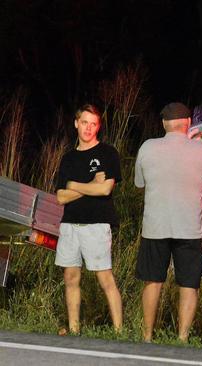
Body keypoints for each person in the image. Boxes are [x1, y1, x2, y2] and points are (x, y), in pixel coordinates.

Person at [134, 102, 202, 343]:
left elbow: (139, 183)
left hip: (155, 226)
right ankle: (183, 337)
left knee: (153, 281)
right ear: (188, 123)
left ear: (164, 123)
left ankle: (147, 336)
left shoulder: (148, 147)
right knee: (189, 284)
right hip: (189, 227)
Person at [55, 104, 123, 334]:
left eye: (93, 124)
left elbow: (105, 190)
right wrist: (90, 185)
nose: (88, 128)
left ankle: (118, 331)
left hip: (97, 224)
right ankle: (74, 330)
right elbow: (61, 197)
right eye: (84, 122)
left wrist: (75, 186)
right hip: (70, 225)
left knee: (105, 277)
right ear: (76, 123)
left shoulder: (107, 153)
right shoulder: (68, 159)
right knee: (71, 277)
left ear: (98, 127)